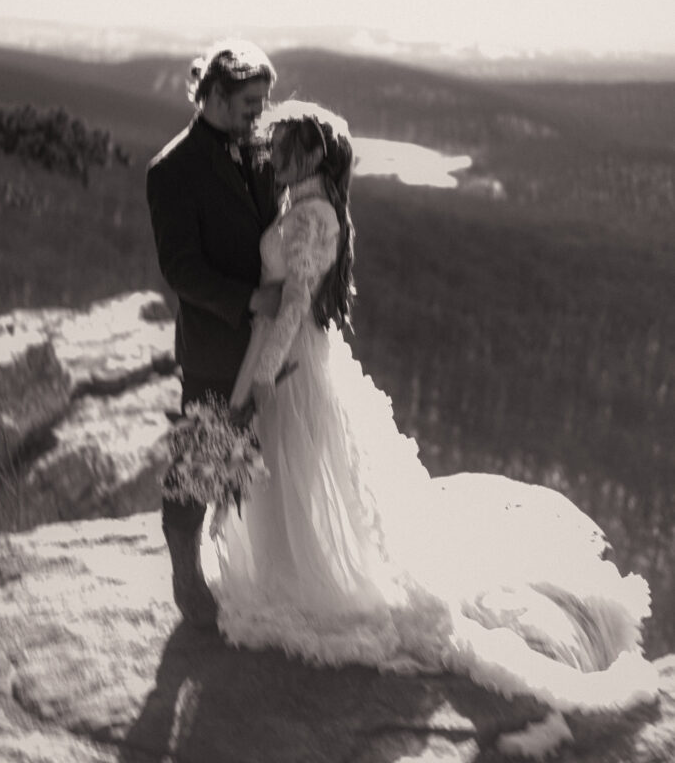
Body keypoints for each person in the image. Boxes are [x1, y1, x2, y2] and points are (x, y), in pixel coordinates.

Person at [191, 98, 658, 737]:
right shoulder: (304, 205)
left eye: (288, 146)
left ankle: (308, 582)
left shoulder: (311, 215)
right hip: (282, 348)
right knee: (290, 474)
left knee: (295, 466)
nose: (276, 155)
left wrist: (259, 382)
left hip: (288, 357)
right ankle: (292, 569)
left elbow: (297, 303)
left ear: (312, 154)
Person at [146, 39, 282, 627]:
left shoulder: (259, 151)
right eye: (252, 100)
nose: (261, 111)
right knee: (202, 459)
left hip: (272, 341)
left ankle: (246, 565)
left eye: (264, 100)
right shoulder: (171, 169)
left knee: (245, 461)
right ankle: (185, 571)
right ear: (217, 94)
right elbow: (181, 270)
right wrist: (248, 299)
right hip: (216, 340)